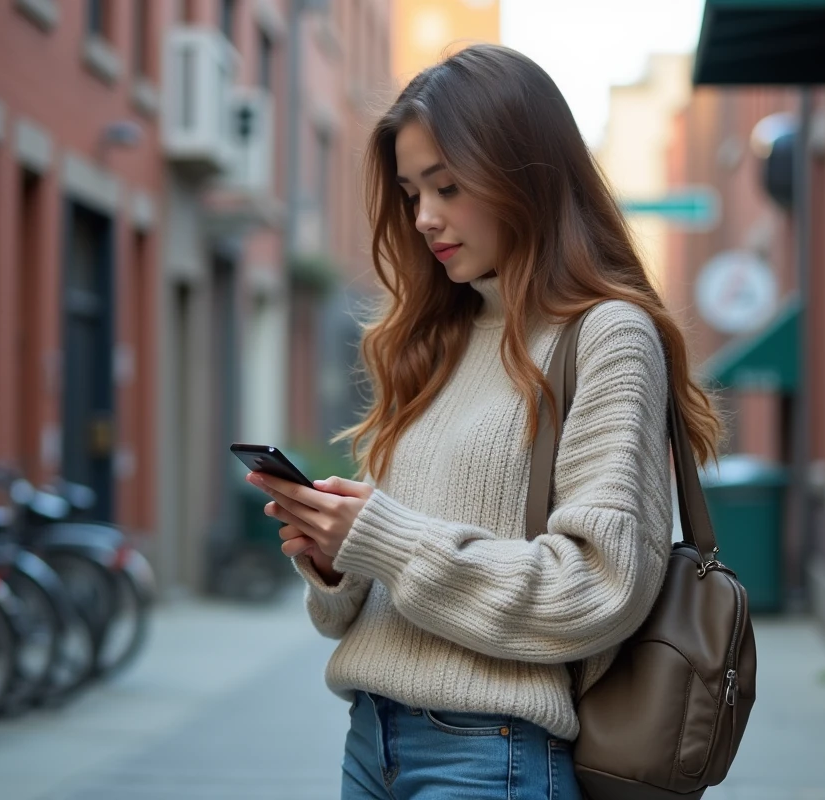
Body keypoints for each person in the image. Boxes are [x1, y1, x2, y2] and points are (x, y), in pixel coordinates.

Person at [244, 44, 721, 800]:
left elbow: (597, 590)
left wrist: (382, 538)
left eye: (449, 186)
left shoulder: (607, 336)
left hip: (491, 755)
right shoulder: (437, 338)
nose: (425, 217)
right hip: (370, 740)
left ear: (525, 176)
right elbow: (358, 604)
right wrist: (337, 560)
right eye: (410, 192)